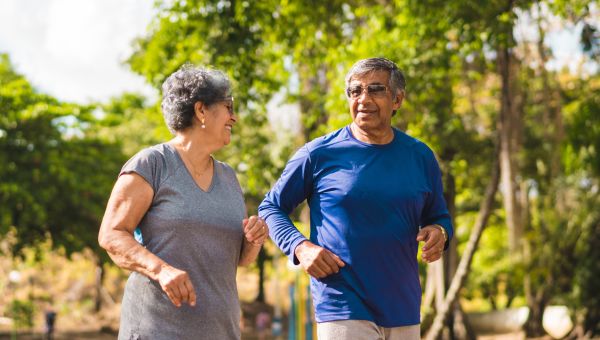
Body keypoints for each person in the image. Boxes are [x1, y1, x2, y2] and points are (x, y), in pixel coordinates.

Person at [258, 57, 453, 340]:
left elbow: (439, 216)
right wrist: (300, 247)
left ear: (397, 99)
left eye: (375, 90)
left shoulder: (421, 156)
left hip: (404, 307)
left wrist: (440, 232)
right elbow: (271, 207)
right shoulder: (318, 154)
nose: (363, 99)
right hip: (341, 304)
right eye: (355, 91)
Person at [98, 64, 268, 339]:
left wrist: (254, 239)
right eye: (229, 107)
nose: (234, 118)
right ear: (201, 110)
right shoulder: (152, 164)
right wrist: (161, 270)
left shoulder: (229, 177)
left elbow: (240, 260)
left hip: (221, 332)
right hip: (157, 330)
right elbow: (111, 234)